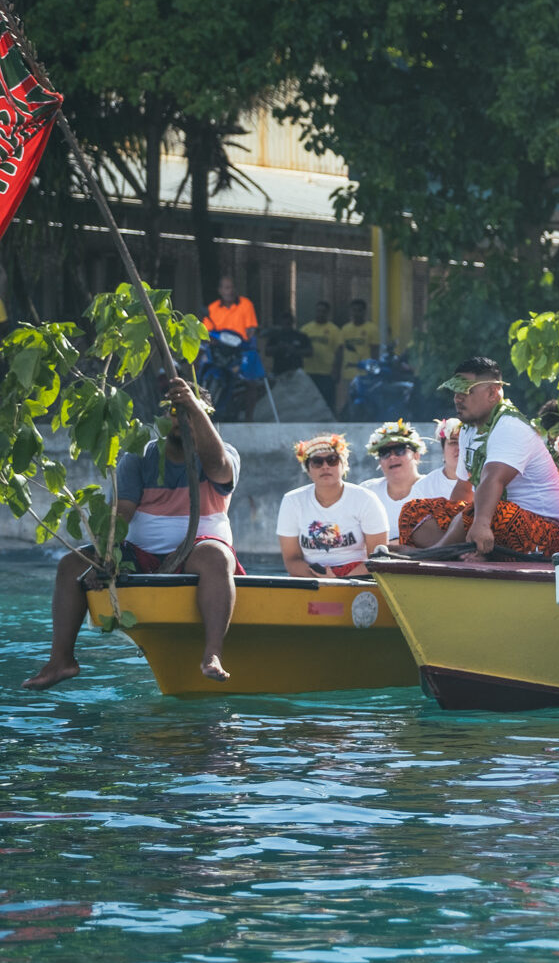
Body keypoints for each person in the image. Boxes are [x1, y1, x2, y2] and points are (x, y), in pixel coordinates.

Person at [24, 380, 243, 690]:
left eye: (189, 413)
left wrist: (193, 406)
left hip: (199, 553)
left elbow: (219, 468)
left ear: (203, 416)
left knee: (217, 556)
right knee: (70, 565)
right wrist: (105, 555)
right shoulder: (139, 455)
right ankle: (62, 660)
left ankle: (212, 654)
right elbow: (121, 512)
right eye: (173, 413)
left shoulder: (224, 452)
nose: (180, 420)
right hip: (140, 553)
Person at [400, 357, 559, 560]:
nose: (457, 398)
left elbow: (493, 480)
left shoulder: (510, 427)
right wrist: (448, 519)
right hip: (490, 518)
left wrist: (478, 523)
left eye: (466, 391)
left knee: (489, 512)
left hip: (544, 531)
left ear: (492, 392)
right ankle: (459, 552)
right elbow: (464, 490)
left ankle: (436, 554)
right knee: (414, 511)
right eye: (455, 391)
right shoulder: (467, 431)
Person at [276, 434, 388, 578]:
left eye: (332, 460)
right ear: (308, 469)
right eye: (317, 462)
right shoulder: (292, 501)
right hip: (311, 576)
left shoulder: (366, 499)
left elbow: (377, 559)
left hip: (358, 577)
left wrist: (340, 580)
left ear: (343, 465)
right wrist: (321, 579)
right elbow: (291, 560)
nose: (325, 466)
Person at [359, 420, 459, 536]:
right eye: (384, 452)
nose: (392, 457)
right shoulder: (368, 491)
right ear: (380, 461)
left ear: (416, 455)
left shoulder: (434, 486)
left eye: (399, 450)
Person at [300, 300, 343, 406]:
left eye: (323, 311)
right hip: (309, 372)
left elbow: (339, 351)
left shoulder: (334, 330)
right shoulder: (306, 329)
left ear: (327, 313)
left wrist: (336, 370)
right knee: (309, 402)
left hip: (327, 373)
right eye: (318, 311)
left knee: (327, 403)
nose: (320, 314)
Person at [203, 275, 260, 339]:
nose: (231, 291)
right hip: (219, 346)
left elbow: (251, 329)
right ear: (220, 290)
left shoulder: (246, 304)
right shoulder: (212, 308)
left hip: (241, 346)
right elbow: (207, 332)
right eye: (227, 288)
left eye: (233, 287)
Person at [337, 299, 378, 378]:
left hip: (365, 374)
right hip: (348, 374)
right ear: (351, 312)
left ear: (364, 312)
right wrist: (337, 371)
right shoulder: (345, 329)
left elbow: (375, 352)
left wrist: (373, 372)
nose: (356, 313)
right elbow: (340, 351)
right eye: (354, 310)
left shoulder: (372, 329)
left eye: (359, 310)